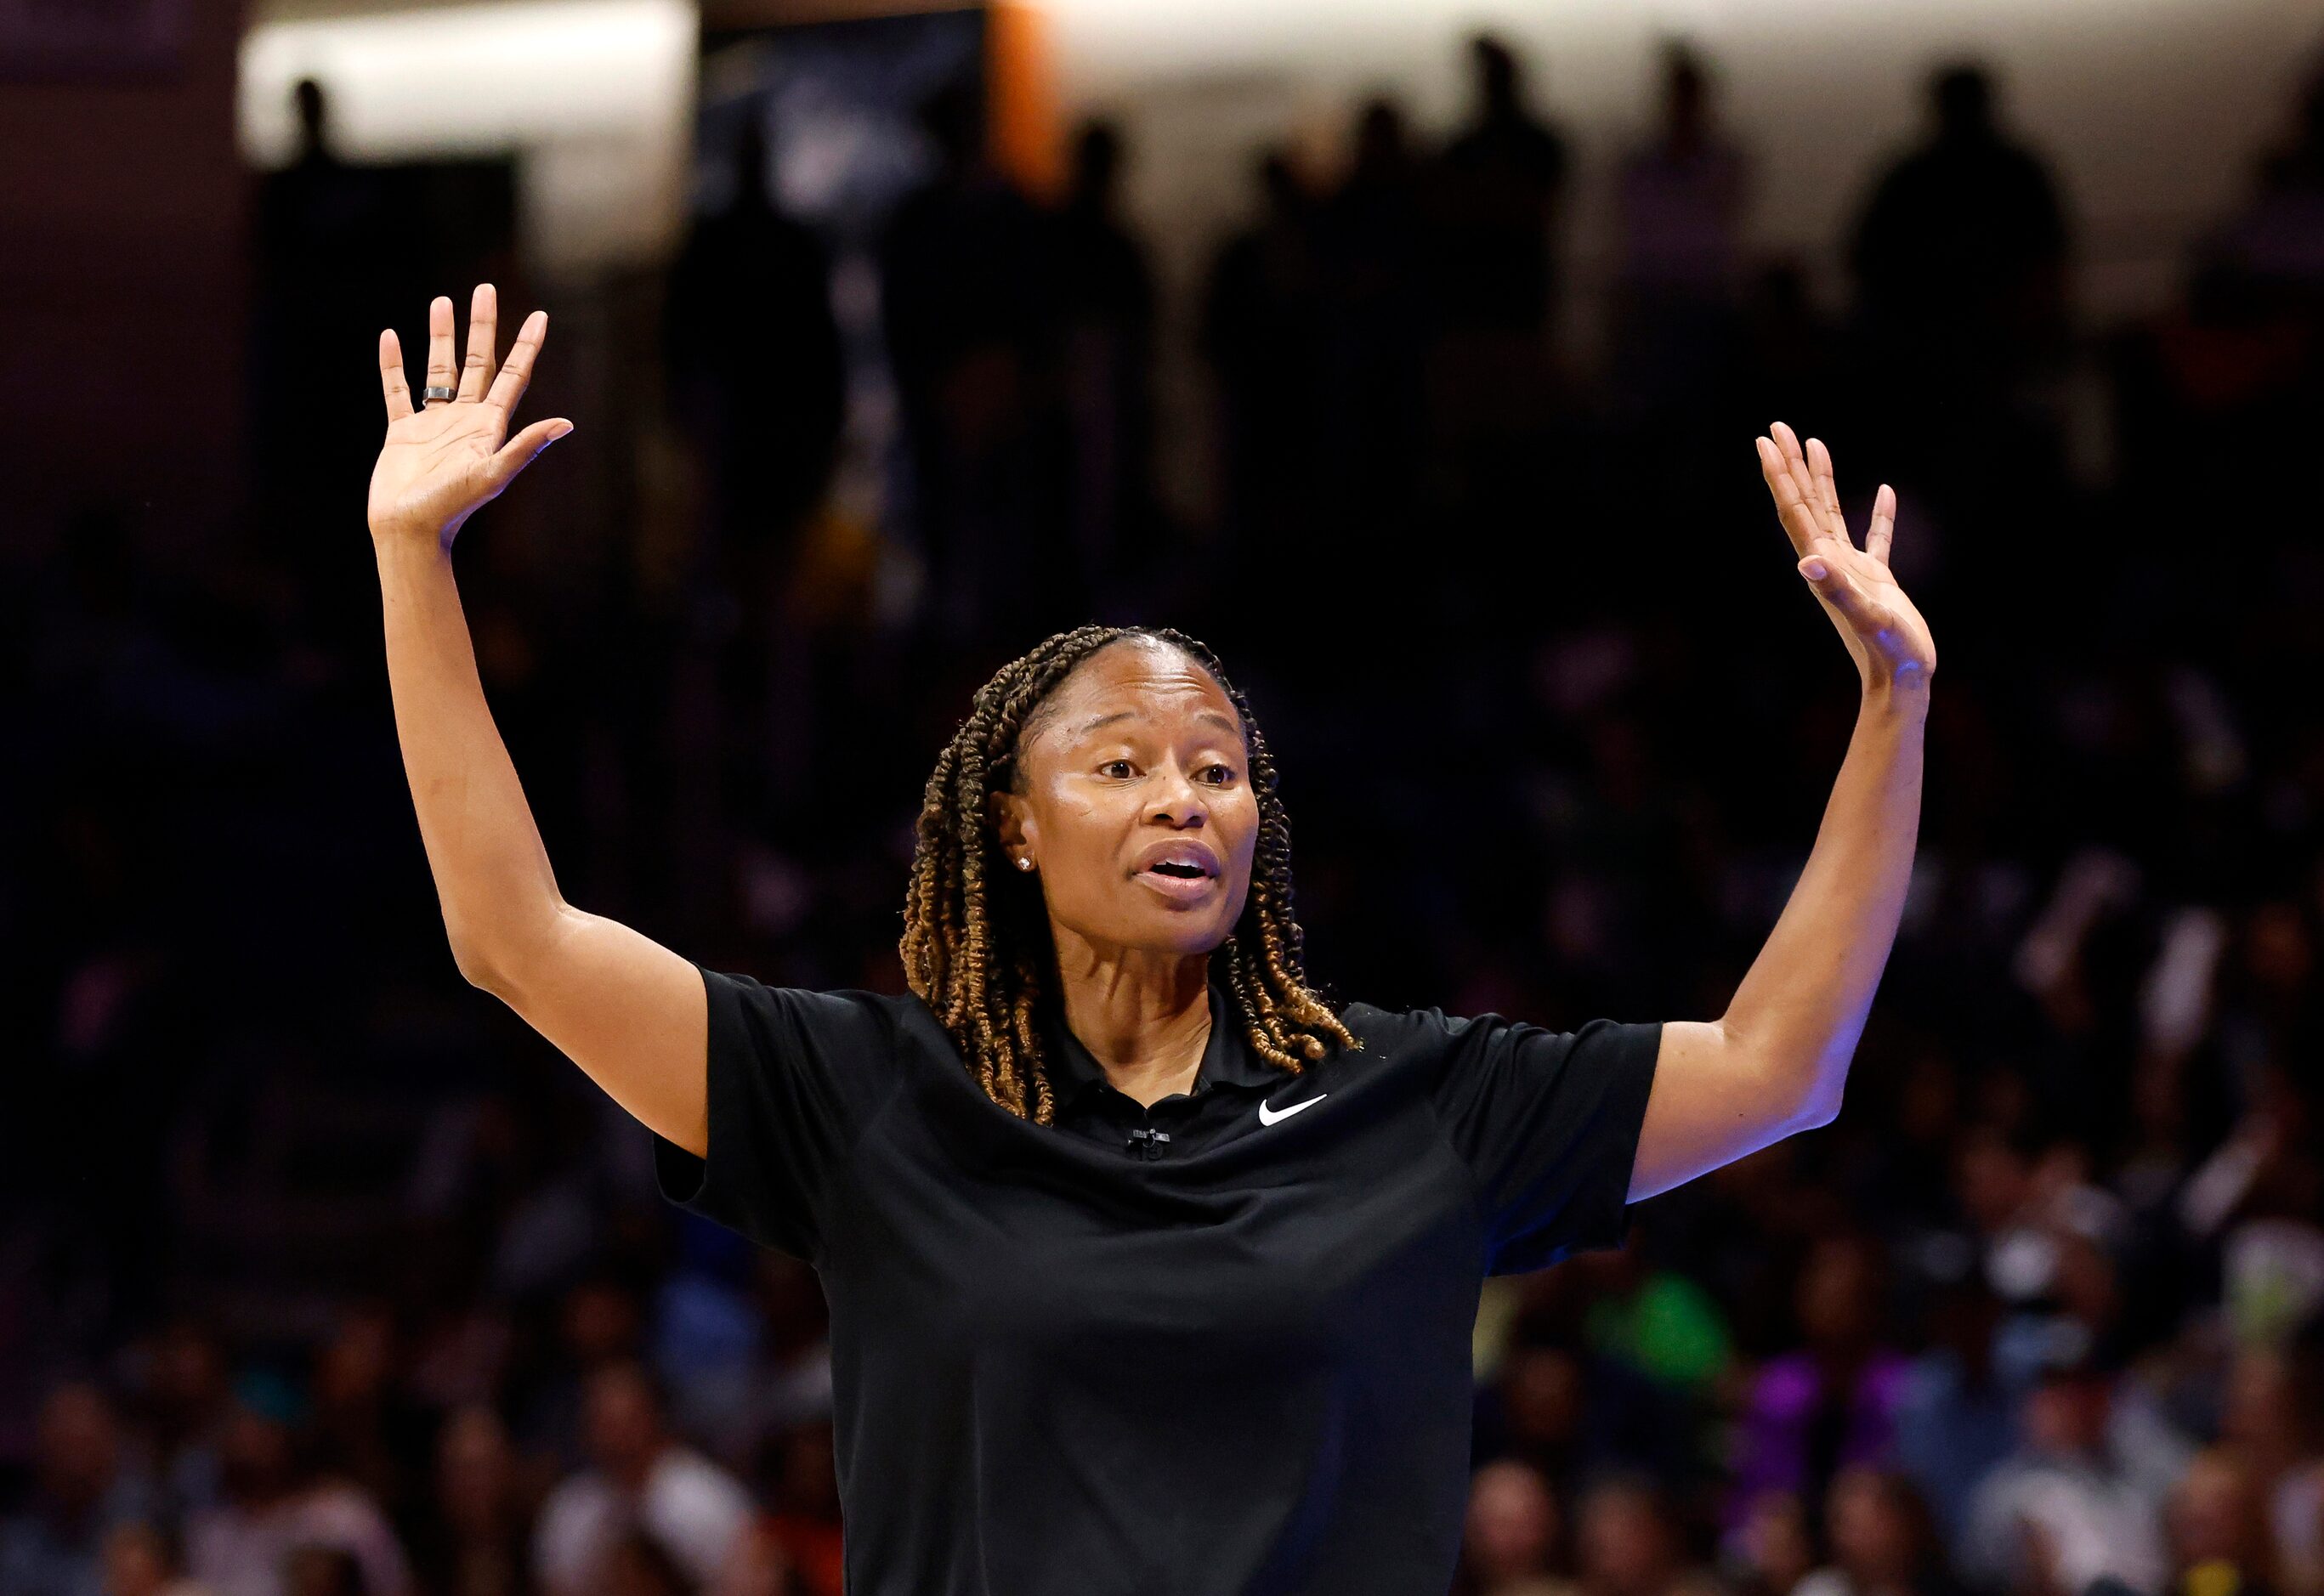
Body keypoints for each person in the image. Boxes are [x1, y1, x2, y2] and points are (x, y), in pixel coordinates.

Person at [363, 284, 1935, 1595]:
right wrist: (414, 560)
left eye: (1217, 769)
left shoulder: (1419, 1100)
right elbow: (514, 935)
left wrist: (1891, 707)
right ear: (1014, 824)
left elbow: (1778, 1066)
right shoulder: (863, 1093)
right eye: (1119, 765)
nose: (1181, 799)